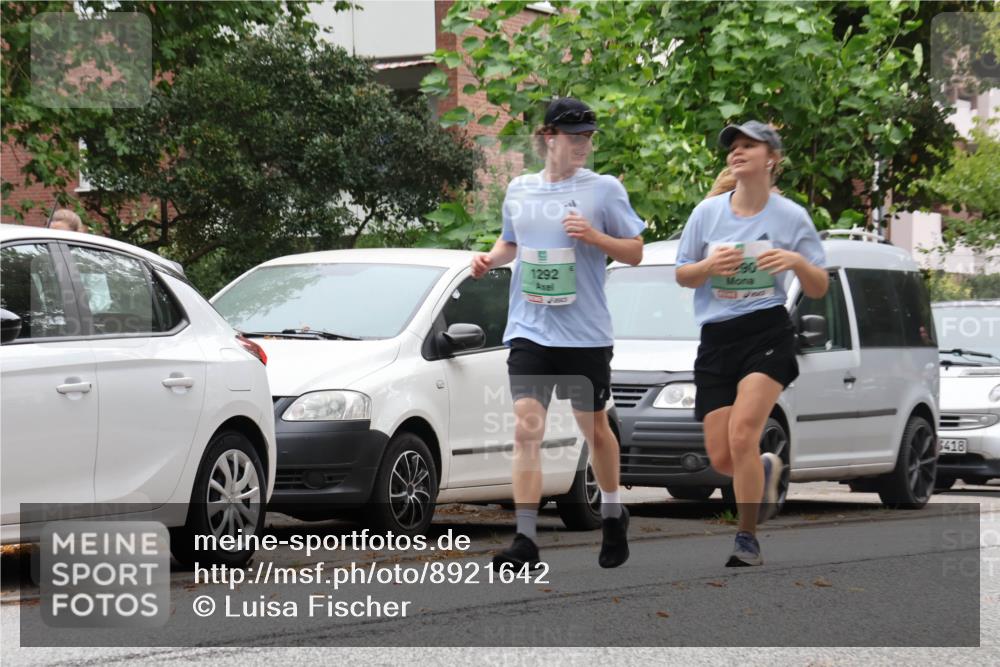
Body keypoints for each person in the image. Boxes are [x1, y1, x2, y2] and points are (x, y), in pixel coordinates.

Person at [471, 97, 645, 570]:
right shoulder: (520, 189)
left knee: (595, 429)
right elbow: (510, 242)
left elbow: (634, 252)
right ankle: (526, 539)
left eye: (588, 136)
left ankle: (613, 513)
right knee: (526, 429)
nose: (584, 144)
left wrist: (595, 237)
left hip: (584, 334)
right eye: (574, 136)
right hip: (530, 330)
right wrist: (489, 259)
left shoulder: (604, 190)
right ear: (548, 137)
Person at [675, 121, 828, 567]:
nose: (737, 152)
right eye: (733, 147)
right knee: (724, 456)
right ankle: (761, 469)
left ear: (771, 158)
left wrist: (795, 260)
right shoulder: (707, 213)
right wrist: (708, 266)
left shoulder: (790, 217)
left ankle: (747, 538)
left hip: (767, 332)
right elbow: (683, 274)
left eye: (748, 146)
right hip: (717, 337)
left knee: (743, 432)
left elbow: (818, 286)